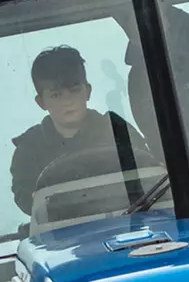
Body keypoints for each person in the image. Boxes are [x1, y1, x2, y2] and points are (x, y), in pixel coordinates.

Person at [8, 45, 154, 218]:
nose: (67, 100)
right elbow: (26, 198)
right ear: (41, 102)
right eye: (56, 95)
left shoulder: (118, 131)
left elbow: (151, 176)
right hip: (59, 237)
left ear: (88, 91)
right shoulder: (29, 148)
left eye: (74, 90)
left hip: (128, 223)